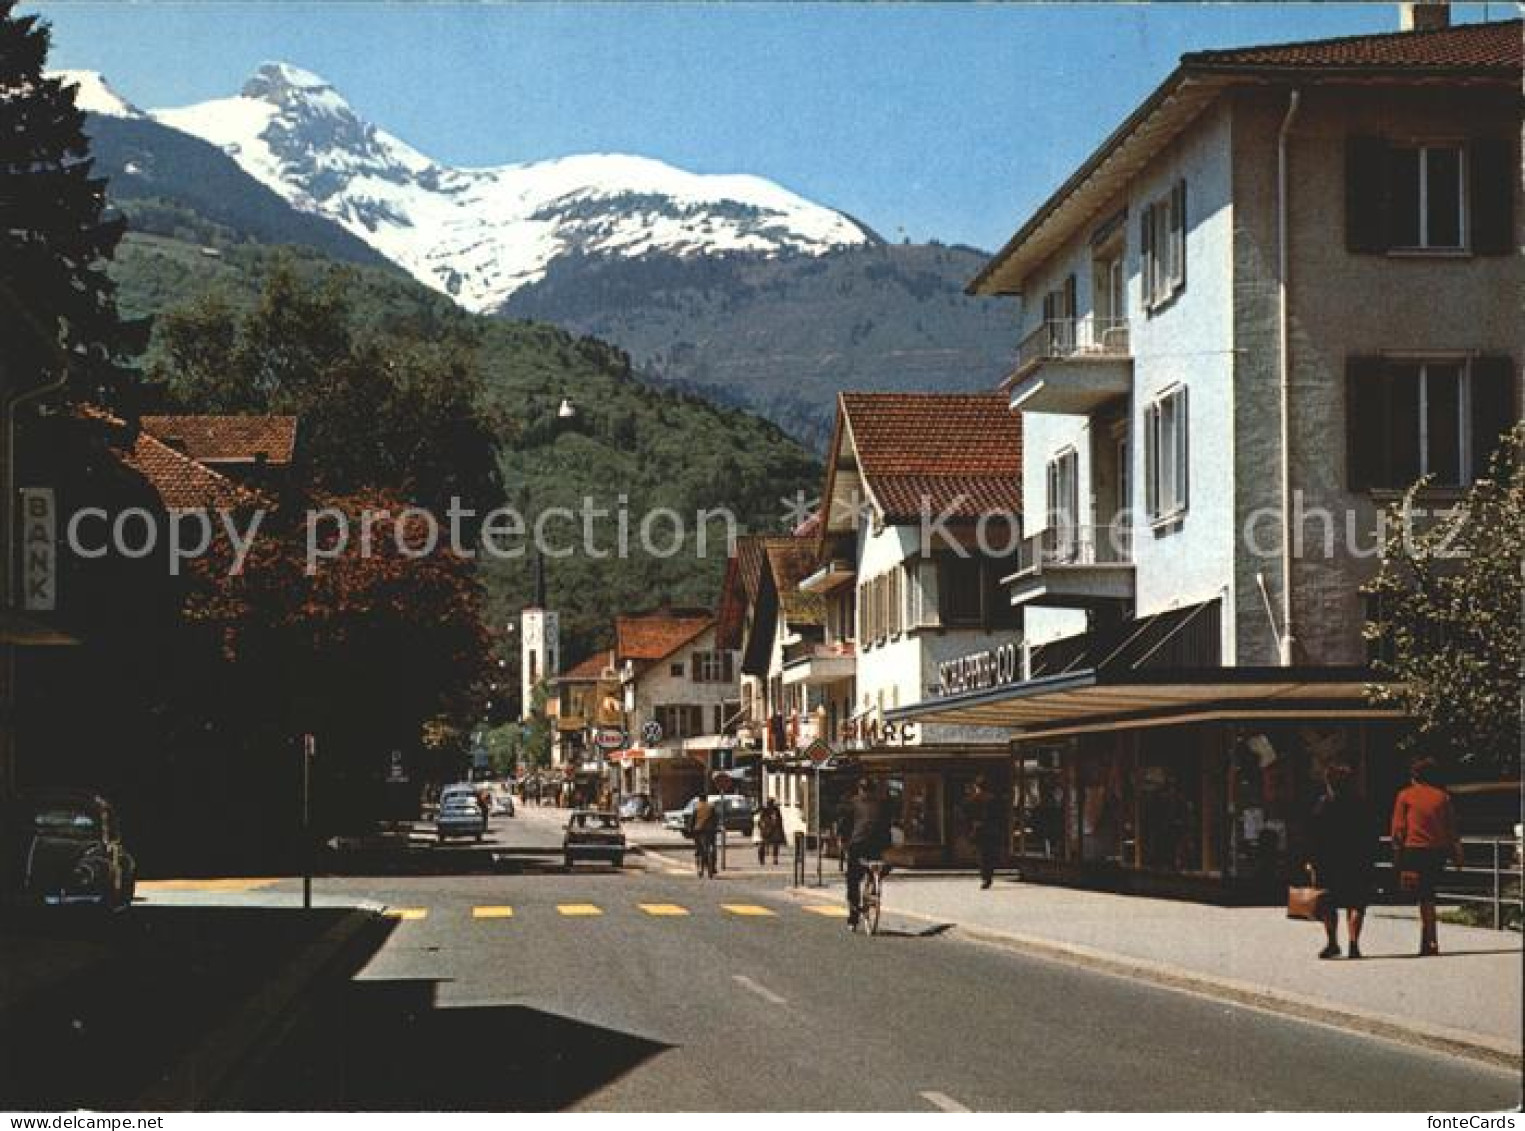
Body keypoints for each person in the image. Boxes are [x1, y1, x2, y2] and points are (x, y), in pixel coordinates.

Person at [1390, 756, 1464, 957]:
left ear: (1414, 776)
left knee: (1424, 895)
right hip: (1437, 851)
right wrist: (1458, 854)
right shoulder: (1443, 797)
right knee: (1427, 893)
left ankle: (1430, 940)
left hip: (1413, 850)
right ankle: (1428, 940)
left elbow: (1398, 829)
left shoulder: (1405, 796)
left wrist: (1397, 854)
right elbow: (1452, 828)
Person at [1308, 763, 1378, 959]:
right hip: (1357, 860)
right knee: (1356, 902)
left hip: (1328, 861)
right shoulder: (1361, 804)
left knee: (1328, 903)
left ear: (1329, 782)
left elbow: (1314, 836)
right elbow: (1372, 833)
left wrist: (1312, 862)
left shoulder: (1323, 804)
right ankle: (1354, 944)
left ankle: (1332, 943)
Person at [841, 778, 892, 931]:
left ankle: (853, 916)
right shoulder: (882, 804)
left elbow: (846, 824)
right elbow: (887, 824)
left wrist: (843, 841)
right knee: (876, 865)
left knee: (852, 879)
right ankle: (875, 885)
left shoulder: (853, 803)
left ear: (860, 789)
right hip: (878, 845)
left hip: (858, 845)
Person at [966, 776, 1003, 890]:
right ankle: (989, 875)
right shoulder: (994, 799)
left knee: (982, 854)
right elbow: (999, 816)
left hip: (979, 830)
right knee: (990, 854)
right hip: (992, 830)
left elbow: (969, 815)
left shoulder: (974, 799)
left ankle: (985, 876)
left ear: (977, 787)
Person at [689, 794, 719, 878]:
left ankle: (699, 868)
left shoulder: (696, 808)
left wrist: (690, 829)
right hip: (710, 831)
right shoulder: (711, 807)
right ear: (706, 799)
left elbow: (692, 820)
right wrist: (716, 827)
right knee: (712, 847)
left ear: (699, 799)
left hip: (699, 831)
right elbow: (715, 819)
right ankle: (713, 867)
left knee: (699, 850)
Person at [756, 797, 787, 866]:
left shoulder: (776, 810)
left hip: (774, 829)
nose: (771, 805)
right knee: (762, 845)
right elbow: (760, 820)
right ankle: (762, 860)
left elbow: (779, 820)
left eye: (771, 803)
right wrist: (762, 828)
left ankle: (775, 859)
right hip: (766, 830)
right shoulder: (764, 810)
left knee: (775, 844)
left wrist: (780, 829)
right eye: (769, 803)